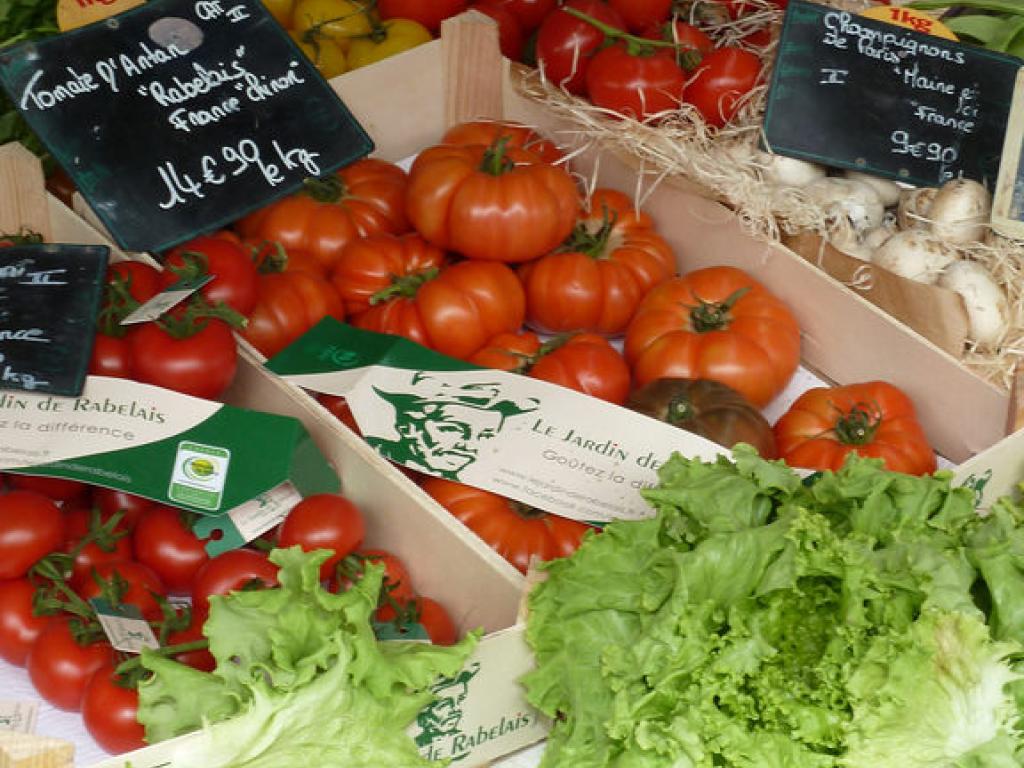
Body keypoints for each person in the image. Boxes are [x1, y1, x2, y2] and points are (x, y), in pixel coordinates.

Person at [366, 375, 538, 480]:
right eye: (453, 429)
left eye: (486, 435)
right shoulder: (366, 453)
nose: (470, 445)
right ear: (407, 427)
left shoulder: (473, 480)